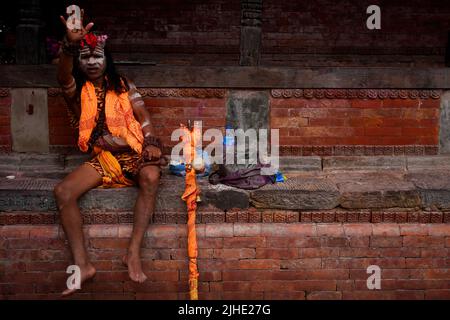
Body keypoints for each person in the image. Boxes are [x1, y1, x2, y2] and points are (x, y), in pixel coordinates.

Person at [55, 8, 163, 296]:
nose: (91, 61)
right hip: (104, 158)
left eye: (97, 56)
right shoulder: (76, 91)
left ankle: (133, 252)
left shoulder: (125, 85)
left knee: (152, 177)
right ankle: (83, 265)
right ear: (80, 61)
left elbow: (145, 117)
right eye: (85, 56)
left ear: (107, 59)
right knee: (63, 192)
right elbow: (63, 75)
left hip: (134, 153)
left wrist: (151, 141)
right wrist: (68, 46)